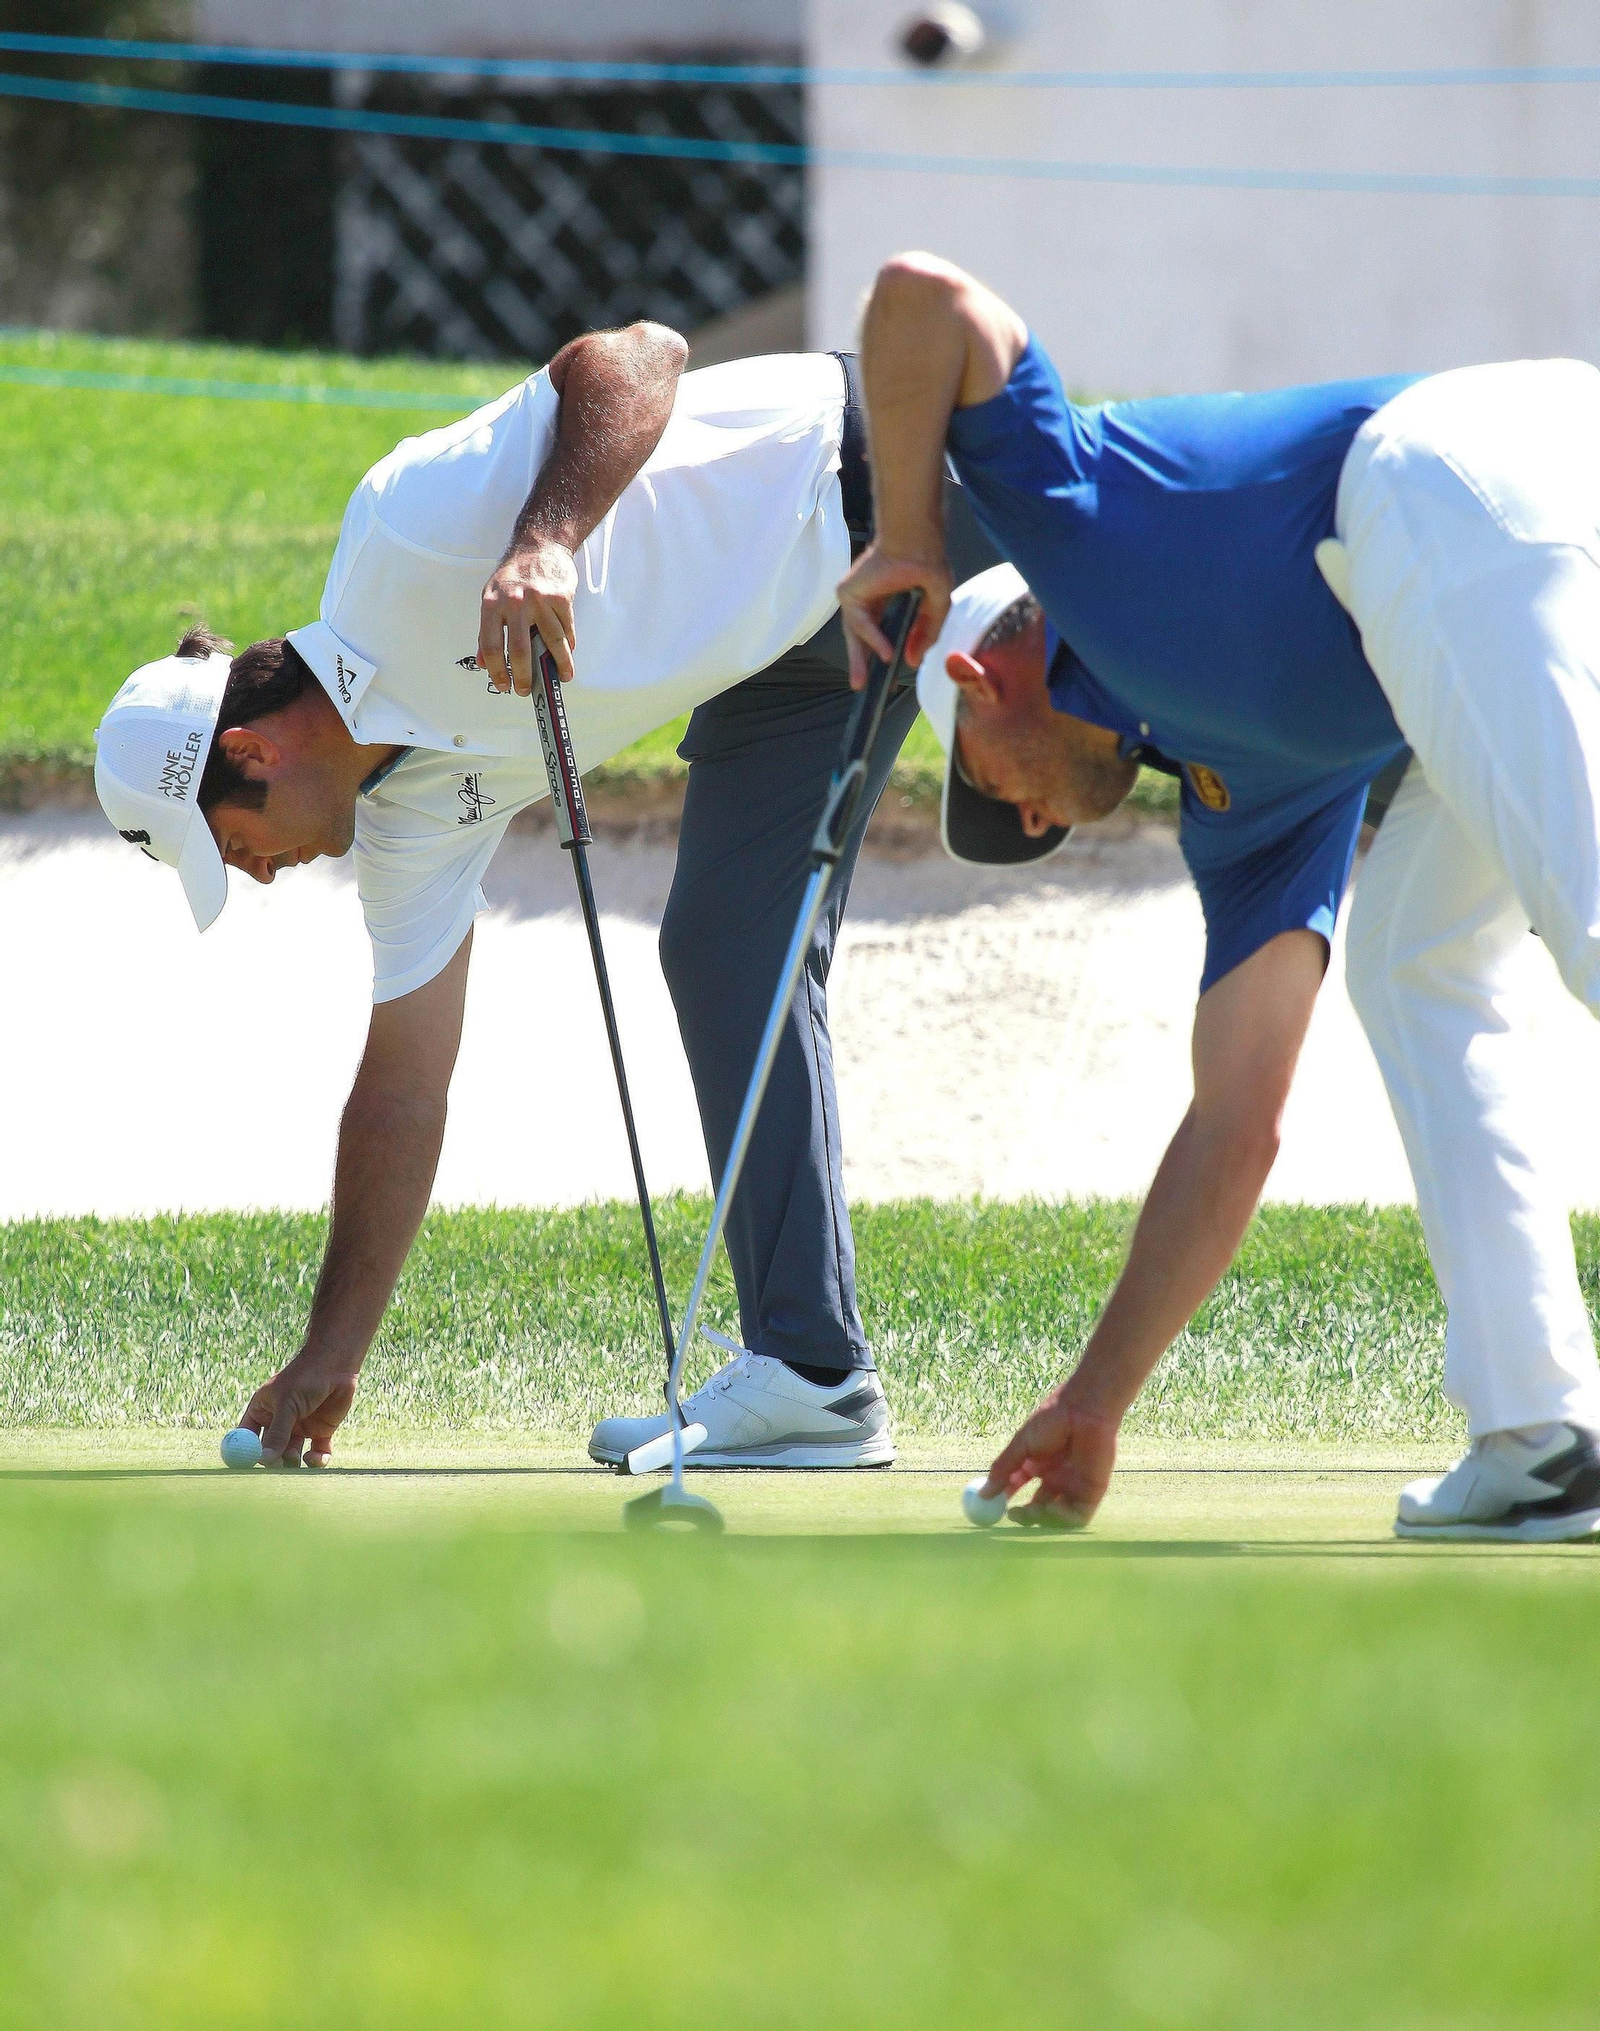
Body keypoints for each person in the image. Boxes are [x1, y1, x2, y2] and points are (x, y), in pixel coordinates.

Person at [95, 323, 994, 1472]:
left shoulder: (398, 534)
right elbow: (401, 1091)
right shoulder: (409, 828)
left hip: (877, 475)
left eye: (235, 848)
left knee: (1173, 710)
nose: (260, 876)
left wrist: (546, 538)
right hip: (784, 658)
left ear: (255, 754)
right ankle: (815, 1377)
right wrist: (333, 1351)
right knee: (723, 951)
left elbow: (640, 356)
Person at [838, 249, 1600, 1544]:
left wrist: (906, 529)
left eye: (989, 791)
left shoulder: (1062, 531)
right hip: (1490, 533)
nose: (1023, 819)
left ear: (978, 678)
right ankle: (1544, 1439)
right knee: (1410, 964)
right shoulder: (1240, 803)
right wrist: (1095, 1399)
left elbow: (923, 297)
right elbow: (1234, 1122)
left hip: (1470, 470)